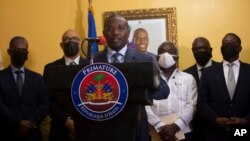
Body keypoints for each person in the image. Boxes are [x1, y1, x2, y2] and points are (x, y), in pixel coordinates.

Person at [83, 13, 158, 141]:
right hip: (101, 128)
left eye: (121, 28)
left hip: (135, 126)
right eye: (110, 28)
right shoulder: (92, 61)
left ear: (128, 33)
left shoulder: (145, 59)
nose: (115, 32)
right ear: (103, 33)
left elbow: (163, 89)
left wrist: (140, 90)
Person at [197, 33, 250, 141]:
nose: (227, 45)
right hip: (216, 131)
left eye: (231, 43)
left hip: (243, 130)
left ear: (240, 48)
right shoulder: (208, 73)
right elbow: (202, 103)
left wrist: (246, 120)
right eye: (224, 43)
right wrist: (215, 119)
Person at [0, 36, 49, 141]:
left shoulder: (37, 78)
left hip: (33, 134)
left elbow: (44, 104)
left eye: (24, 50)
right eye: (18, 50)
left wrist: (30, 123)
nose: (21, 52)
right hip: (8, 132)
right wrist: (18, 123)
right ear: (9, 51)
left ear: (27, 54)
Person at [146, 41, 197, 141]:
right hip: (156, 133)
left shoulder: (188, 78)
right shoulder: (149, 80)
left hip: (183, 133)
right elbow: (145, 106)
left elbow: (192, 105)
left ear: (177, 57)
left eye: (171, 51)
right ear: (157, 58)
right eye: (162, 51)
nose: (166, 54)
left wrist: (175, 126)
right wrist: (160, 126)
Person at [43, 29, 85, 141]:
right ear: (61, 45)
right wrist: (66, 120)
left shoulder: (91, 66)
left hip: (86, 128)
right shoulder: (50, 69)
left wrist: (79, 125)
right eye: (67, 39)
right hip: (59, 129)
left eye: (75, 39)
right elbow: (47, 99)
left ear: (80, 43)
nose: (71, 41)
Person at [183, 37, 219, 141]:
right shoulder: (185, 74)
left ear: (210, 49)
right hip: (194, 128)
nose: (199, 51)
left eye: (202, 48)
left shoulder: (221, 69)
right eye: (196, 49)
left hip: (218, 126)